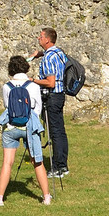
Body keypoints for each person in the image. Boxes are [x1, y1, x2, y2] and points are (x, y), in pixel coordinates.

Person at [0, 56, 52, 207]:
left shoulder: (7, 86)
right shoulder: (32, 86)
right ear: (26, 68)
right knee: (37, 162)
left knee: (7, 162)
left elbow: (7, 106)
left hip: (11, 126)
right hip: (30, 127)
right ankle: (46, 197)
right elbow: (38, 107)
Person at [34, 26, 70, 178]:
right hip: (60, 96)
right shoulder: (59, 53)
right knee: (60, 131)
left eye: (41, 37)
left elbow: (50, 82)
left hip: (52, 97)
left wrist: (33, 81)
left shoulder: (49, 58)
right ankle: (63, 164)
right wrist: (39, 54)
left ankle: (57, 167)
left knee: (55, 132)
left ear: (47, 39)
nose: (39, 39)